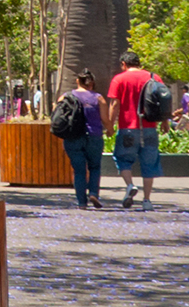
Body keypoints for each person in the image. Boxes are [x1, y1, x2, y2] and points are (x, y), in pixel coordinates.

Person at [105, 52, 166, 209]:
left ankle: (130, 185)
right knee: (149, 164)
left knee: (122, 159)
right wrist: (165, 122)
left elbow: (114, 104)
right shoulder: (154, 78)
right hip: (150, 128)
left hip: (128, 128)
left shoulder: (119, 79)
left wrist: (110, 125)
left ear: (124, 64)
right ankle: (147, 200)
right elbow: (164, 102)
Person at [61, 70, 107, 208]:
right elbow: (105, 119)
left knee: (79, 170)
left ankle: (82, 202)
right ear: (92, 82)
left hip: (73, 137)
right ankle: (93, 193)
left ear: (77, 81)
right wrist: (110, 129)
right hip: (94, 136)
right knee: (94, 166)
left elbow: (56, 112)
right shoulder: (98, 98)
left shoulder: (66, 97)